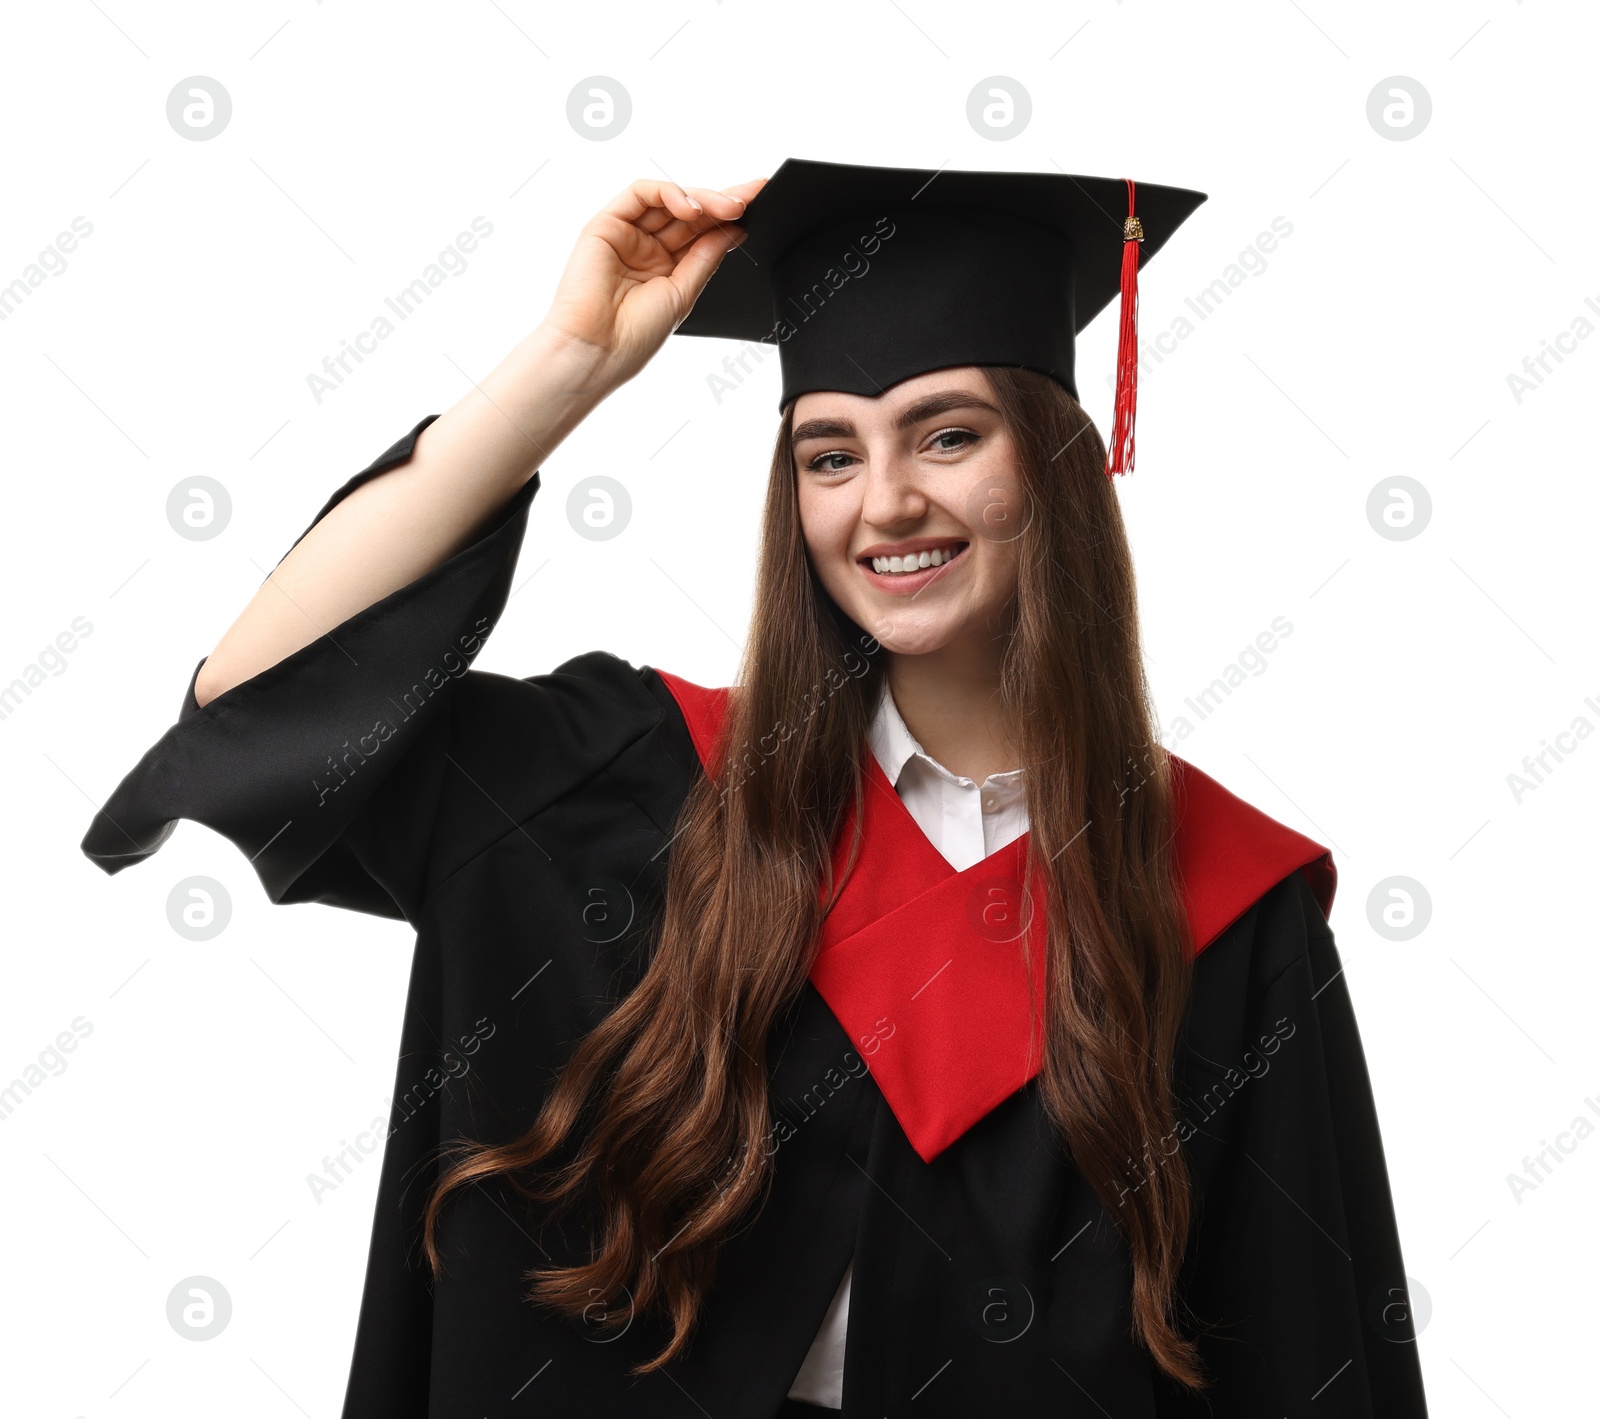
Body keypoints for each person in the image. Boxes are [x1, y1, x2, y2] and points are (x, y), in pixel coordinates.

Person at [82, 159, 1430, 1418]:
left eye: (948, 437)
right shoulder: (632, 780)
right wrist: (571, 367)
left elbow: (1305, 1346)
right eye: (829, 454)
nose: (883, 501)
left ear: (1059, 467)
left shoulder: (1227, 910)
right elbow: (261, 702)